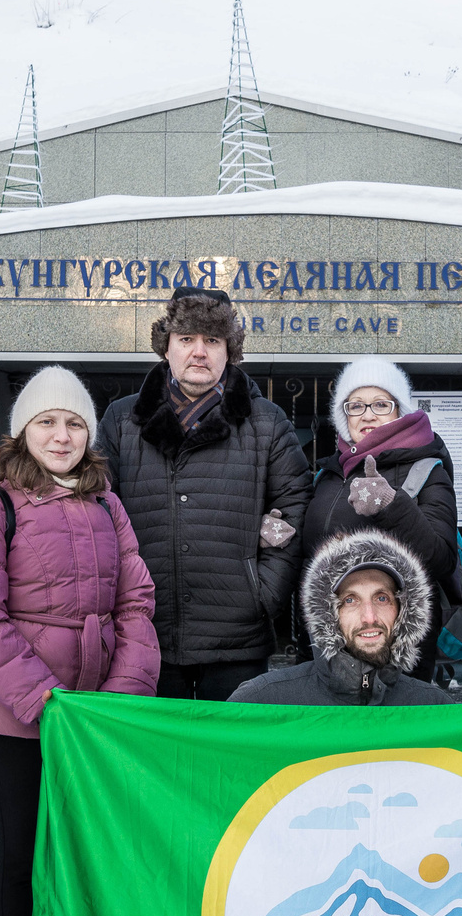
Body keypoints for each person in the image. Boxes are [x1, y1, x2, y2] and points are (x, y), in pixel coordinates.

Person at [0, 367, 161, 916]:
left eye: (73, 423)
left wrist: (121, 699)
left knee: (79, 848)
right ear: (23, 430)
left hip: (93, 716)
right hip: (15, 715)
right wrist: (48, 701)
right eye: (48, 421)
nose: (62, 434)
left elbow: (136, 601)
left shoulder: (107, 505)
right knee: (20, 851)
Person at [98, 288, 311, 699]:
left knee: (231, 759)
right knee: (161, 759)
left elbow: (294, 506)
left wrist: (262, 594)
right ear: (166, 348)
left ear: (229, 350)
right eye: (186, 339)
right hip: (145, 629)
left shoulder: (266, 423)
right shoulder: (123, 420)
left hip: (237, 636)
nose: (199, 352)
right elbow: (98, 510)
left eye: (212, 340)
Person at [295, 359, 461, 681]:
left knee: (393, 731)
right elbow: (310, 555)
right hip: (325, 643)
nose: (367, 414)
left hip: (393, 649)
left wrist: (392, 505)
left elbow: (441, 559)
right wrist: (283, 532)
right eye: (355, 406)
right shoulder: (328, 474)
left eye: (381, 404)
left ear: (399, 410)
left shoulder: (427, 470)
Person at [231, 530, 458, 708]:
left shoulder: (432, 709)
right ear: (327, 614)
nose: (369, 618)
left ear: (404, 610)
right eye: (350, 600)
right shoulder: (265, 701)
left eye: (381, 598)